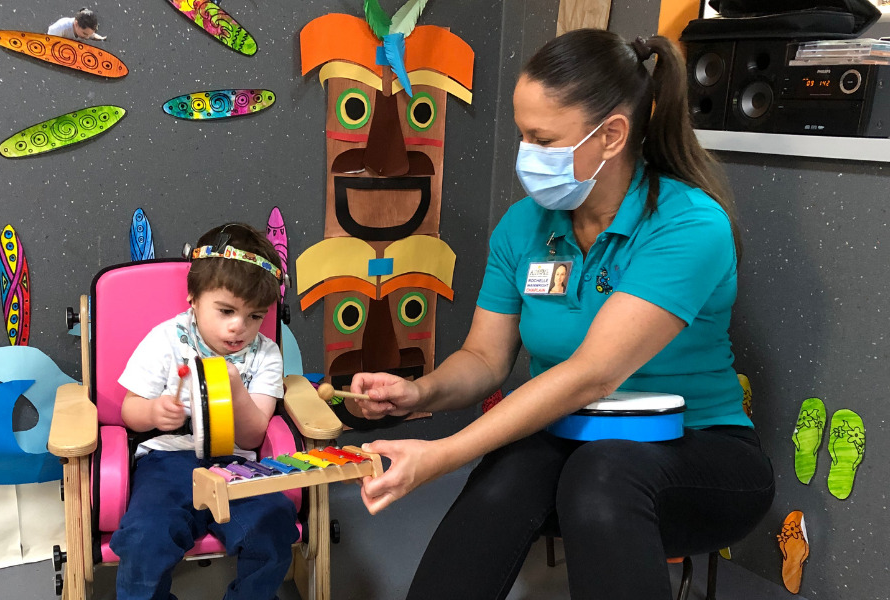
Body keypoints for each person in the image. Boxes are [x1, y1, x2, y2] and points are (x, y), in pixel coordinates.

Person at [351, 29, 775, 600]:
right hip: (574, 438)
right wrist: (419, 394)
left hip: (700, 451)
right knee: (507, 477)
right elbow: (484, 357)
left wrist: (443, 454)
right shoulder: (523, 227)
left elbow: (594, 373)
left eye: (542, 138)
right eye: (523, 134)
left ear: (612, 136)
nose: (526, 155)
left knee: (599, 477)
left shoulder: (688, 225)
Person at [110, 223, 297, 600]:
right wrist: (154, 413)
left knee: (274, 521)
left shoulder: (265, 354)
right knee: (145, 535)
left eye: (254, 316)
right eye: (226, 310)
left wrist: (235, 388)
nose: (238, 327)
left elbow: (252, 436)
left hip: (236, 464)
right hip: (167, 460)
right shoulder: (166, 339)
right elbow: (129, 410)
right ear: (193, 297)